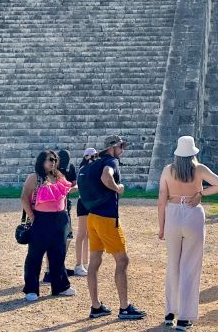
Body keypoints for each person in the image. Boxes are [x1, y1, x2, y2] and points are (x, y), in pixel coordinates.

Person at [157, 135, 218, 330]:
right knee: (190, 266)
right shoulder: (199, 169)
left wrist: (161, 226)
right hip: (192, 213)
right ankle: (185, 317)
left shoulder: (167, 170)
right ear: (193, 152)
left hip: (172, 213)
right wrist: (201, 193)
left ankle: (170, 312)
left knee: (173, 264)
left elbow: (162, 199)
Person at [84, 134, 146, 321]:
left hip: (92, 216)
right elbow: (106, 176)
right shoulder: (111, 161)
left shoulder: (93, 162)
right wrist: (117, 187)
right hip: (106, 218)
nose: (122, 150)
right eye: (121, 146)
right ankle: (124, 307)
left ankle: (96, 307)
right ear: (113, 148)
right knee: (122, 260)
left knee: (94, 262)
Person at [20, 149, 76, 301]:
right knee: (35, 255)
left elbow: (67, 191)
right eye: (49, 159)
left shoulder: (59, 176)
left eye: (54, 159)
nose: (52, 162)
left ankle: (60, 286)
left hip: (60, 218)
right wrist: (32, 216)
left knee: (58, 253)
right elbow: (24, 197)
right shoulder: (34, 177)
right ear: (41, 161)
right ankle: (31, 289)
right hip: (41, 219)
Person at [43, 149, 78, 284]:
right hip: (56, 208)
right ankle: (49, 270)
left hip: (63, 206)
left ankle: (57, 267)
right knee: (56, 240)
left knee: (66, 239)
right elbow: (70, 186)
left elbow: (71, 184)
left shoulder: (65, 170)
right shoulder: (53, 172)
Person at [72, 147, 97, 276]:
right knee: (81, 234)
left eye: (95, 156)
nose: (94, 159)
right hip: (84, 202)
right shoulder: (83, 170)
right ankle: (78, 264)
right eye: (91, 156)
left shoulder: (94, 169)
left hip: (92, 203)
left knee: (89, 234)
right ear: (86, 157)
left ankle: (85, 262)